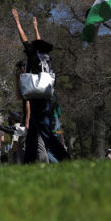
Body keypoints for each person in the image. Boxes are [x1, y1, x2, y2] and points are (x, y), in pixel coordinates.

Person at [12, 9, 70, 164]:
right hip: (46, 96)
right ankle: (28, 163)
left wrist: (18, 22)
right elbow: (38, 42)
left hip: (36, 97)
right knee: (32, 134)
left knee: (45, 132)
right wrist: (36, 28)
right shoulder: (46, 58)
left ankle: (65, 158)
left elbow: (24, 40)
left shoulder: (33, 57)